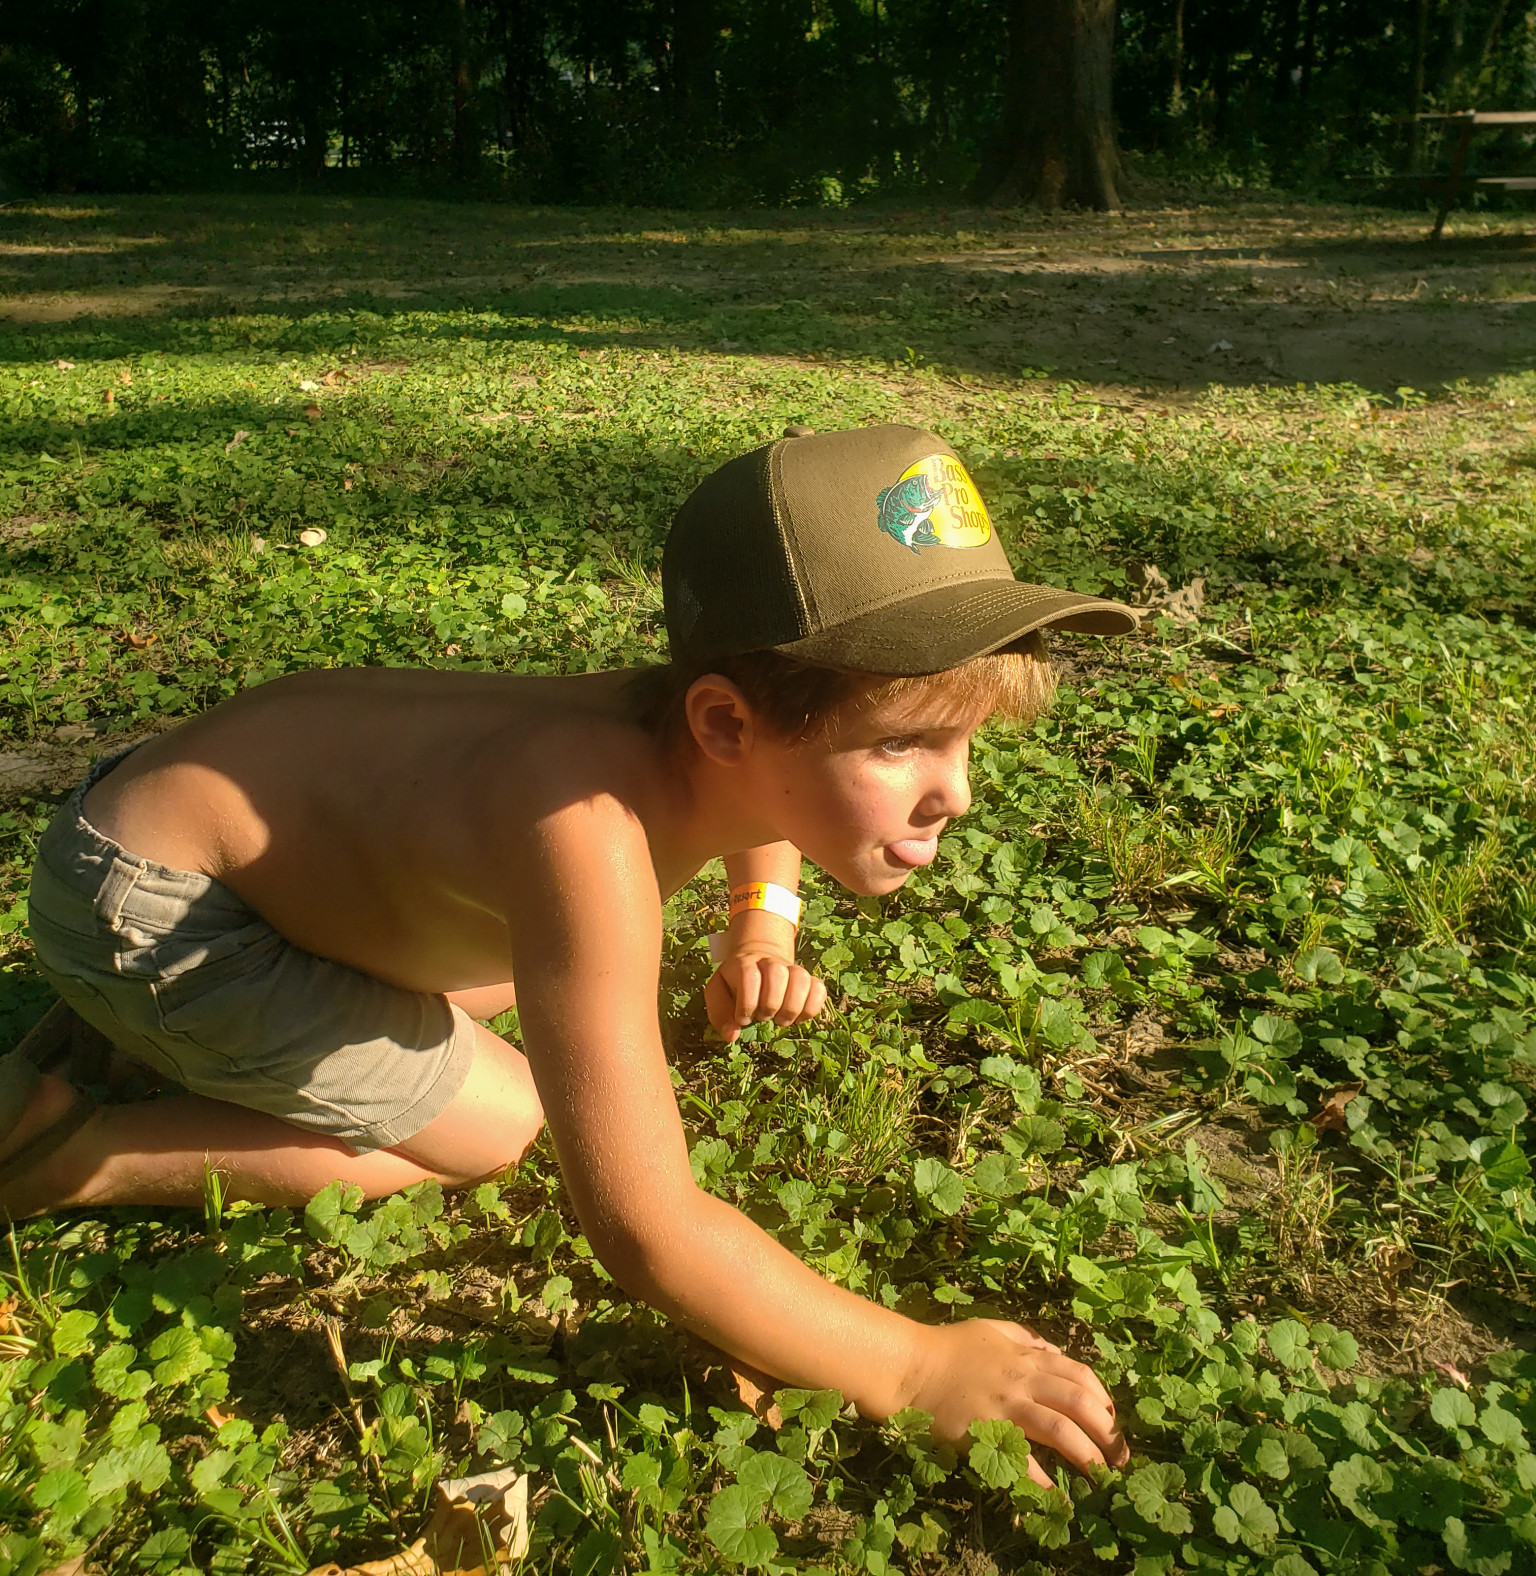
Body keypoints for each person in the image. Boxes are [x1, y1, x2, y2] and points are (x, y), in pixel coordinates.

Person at [0, 423, 1137, 1476]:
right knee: (499, 1119)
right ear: (725, 720)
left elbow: (765, 802)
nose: (957, 792)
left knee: (524, 980)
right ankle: (67, 1147)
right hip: (156, 909)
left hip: (207, 830)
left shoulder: (691, 730)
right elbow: (648, 1229)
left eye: (966, 740)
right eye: (902, 745)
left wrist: (760, 920)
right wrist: (914, 1366)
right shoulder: (585, 830)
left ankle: (147, 1037)